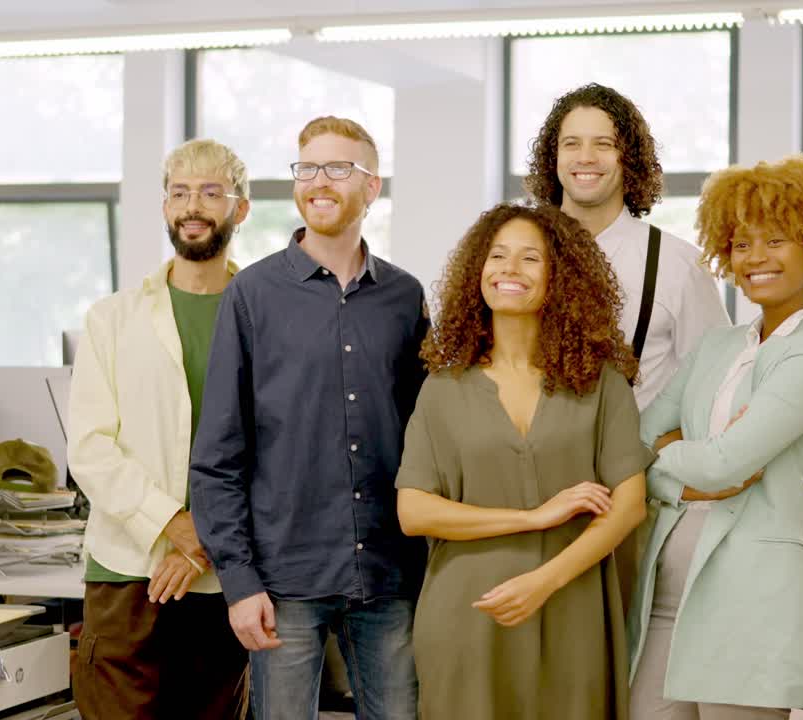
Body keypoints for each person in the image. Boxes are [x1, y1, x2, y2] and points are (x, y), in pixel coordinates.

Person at [189, 117, 428, 720]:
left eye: (339, 168)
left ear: (371, 187)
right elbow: (218, 453)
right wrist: (239, 584)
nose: (320, 182)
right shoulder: (253, 295)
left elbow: (425, 440)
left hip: (389, 575)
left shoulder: (406, 297)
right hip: (283, 581)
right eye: (308, 168)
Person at [395, 203, 652, 720]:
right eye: (497, 255)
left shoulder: (600, 383)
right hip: (468, 613)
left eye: (530, 258)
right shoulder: (444, 388)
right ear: (477, 271)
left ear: (562, 277)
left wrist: (544, 581)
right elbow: (414, 512)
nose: (509, 269)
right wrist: (534, 516)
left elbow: (629, 508)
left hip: (572, 606)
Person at [629, 155, 803, 718]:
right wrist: (684, 473)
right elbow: (641, 440)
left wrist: (676, 456)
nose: (755, 258)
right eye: (740, 244)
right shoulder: (716, 347)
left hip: (750, 592)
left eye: (775, 240)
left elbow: (727, 465)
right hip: (664, 590)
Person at [525, 83, 729, 605]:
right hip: (524, 495)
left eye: (604, 144)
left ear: (629, 158)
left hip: (629, 503)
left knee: (618, 665)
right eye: (571, 143)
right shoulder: (514, 252)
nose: (585, 158)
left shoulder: (678, 265)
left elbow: (711, 391)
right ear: (553, 158)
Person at [67, 138, 250, 719]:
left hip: (226, 581)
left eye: (211, 192)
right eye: (180, 192)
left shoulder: (265, 316)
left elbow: (276, 449)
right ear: (165, 207)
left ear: (240, 209)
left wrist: (204, 547)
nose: (193, 206)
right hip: (128, 574)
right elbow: (91, 448)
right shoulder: (112, 319)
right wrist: (177, 526)